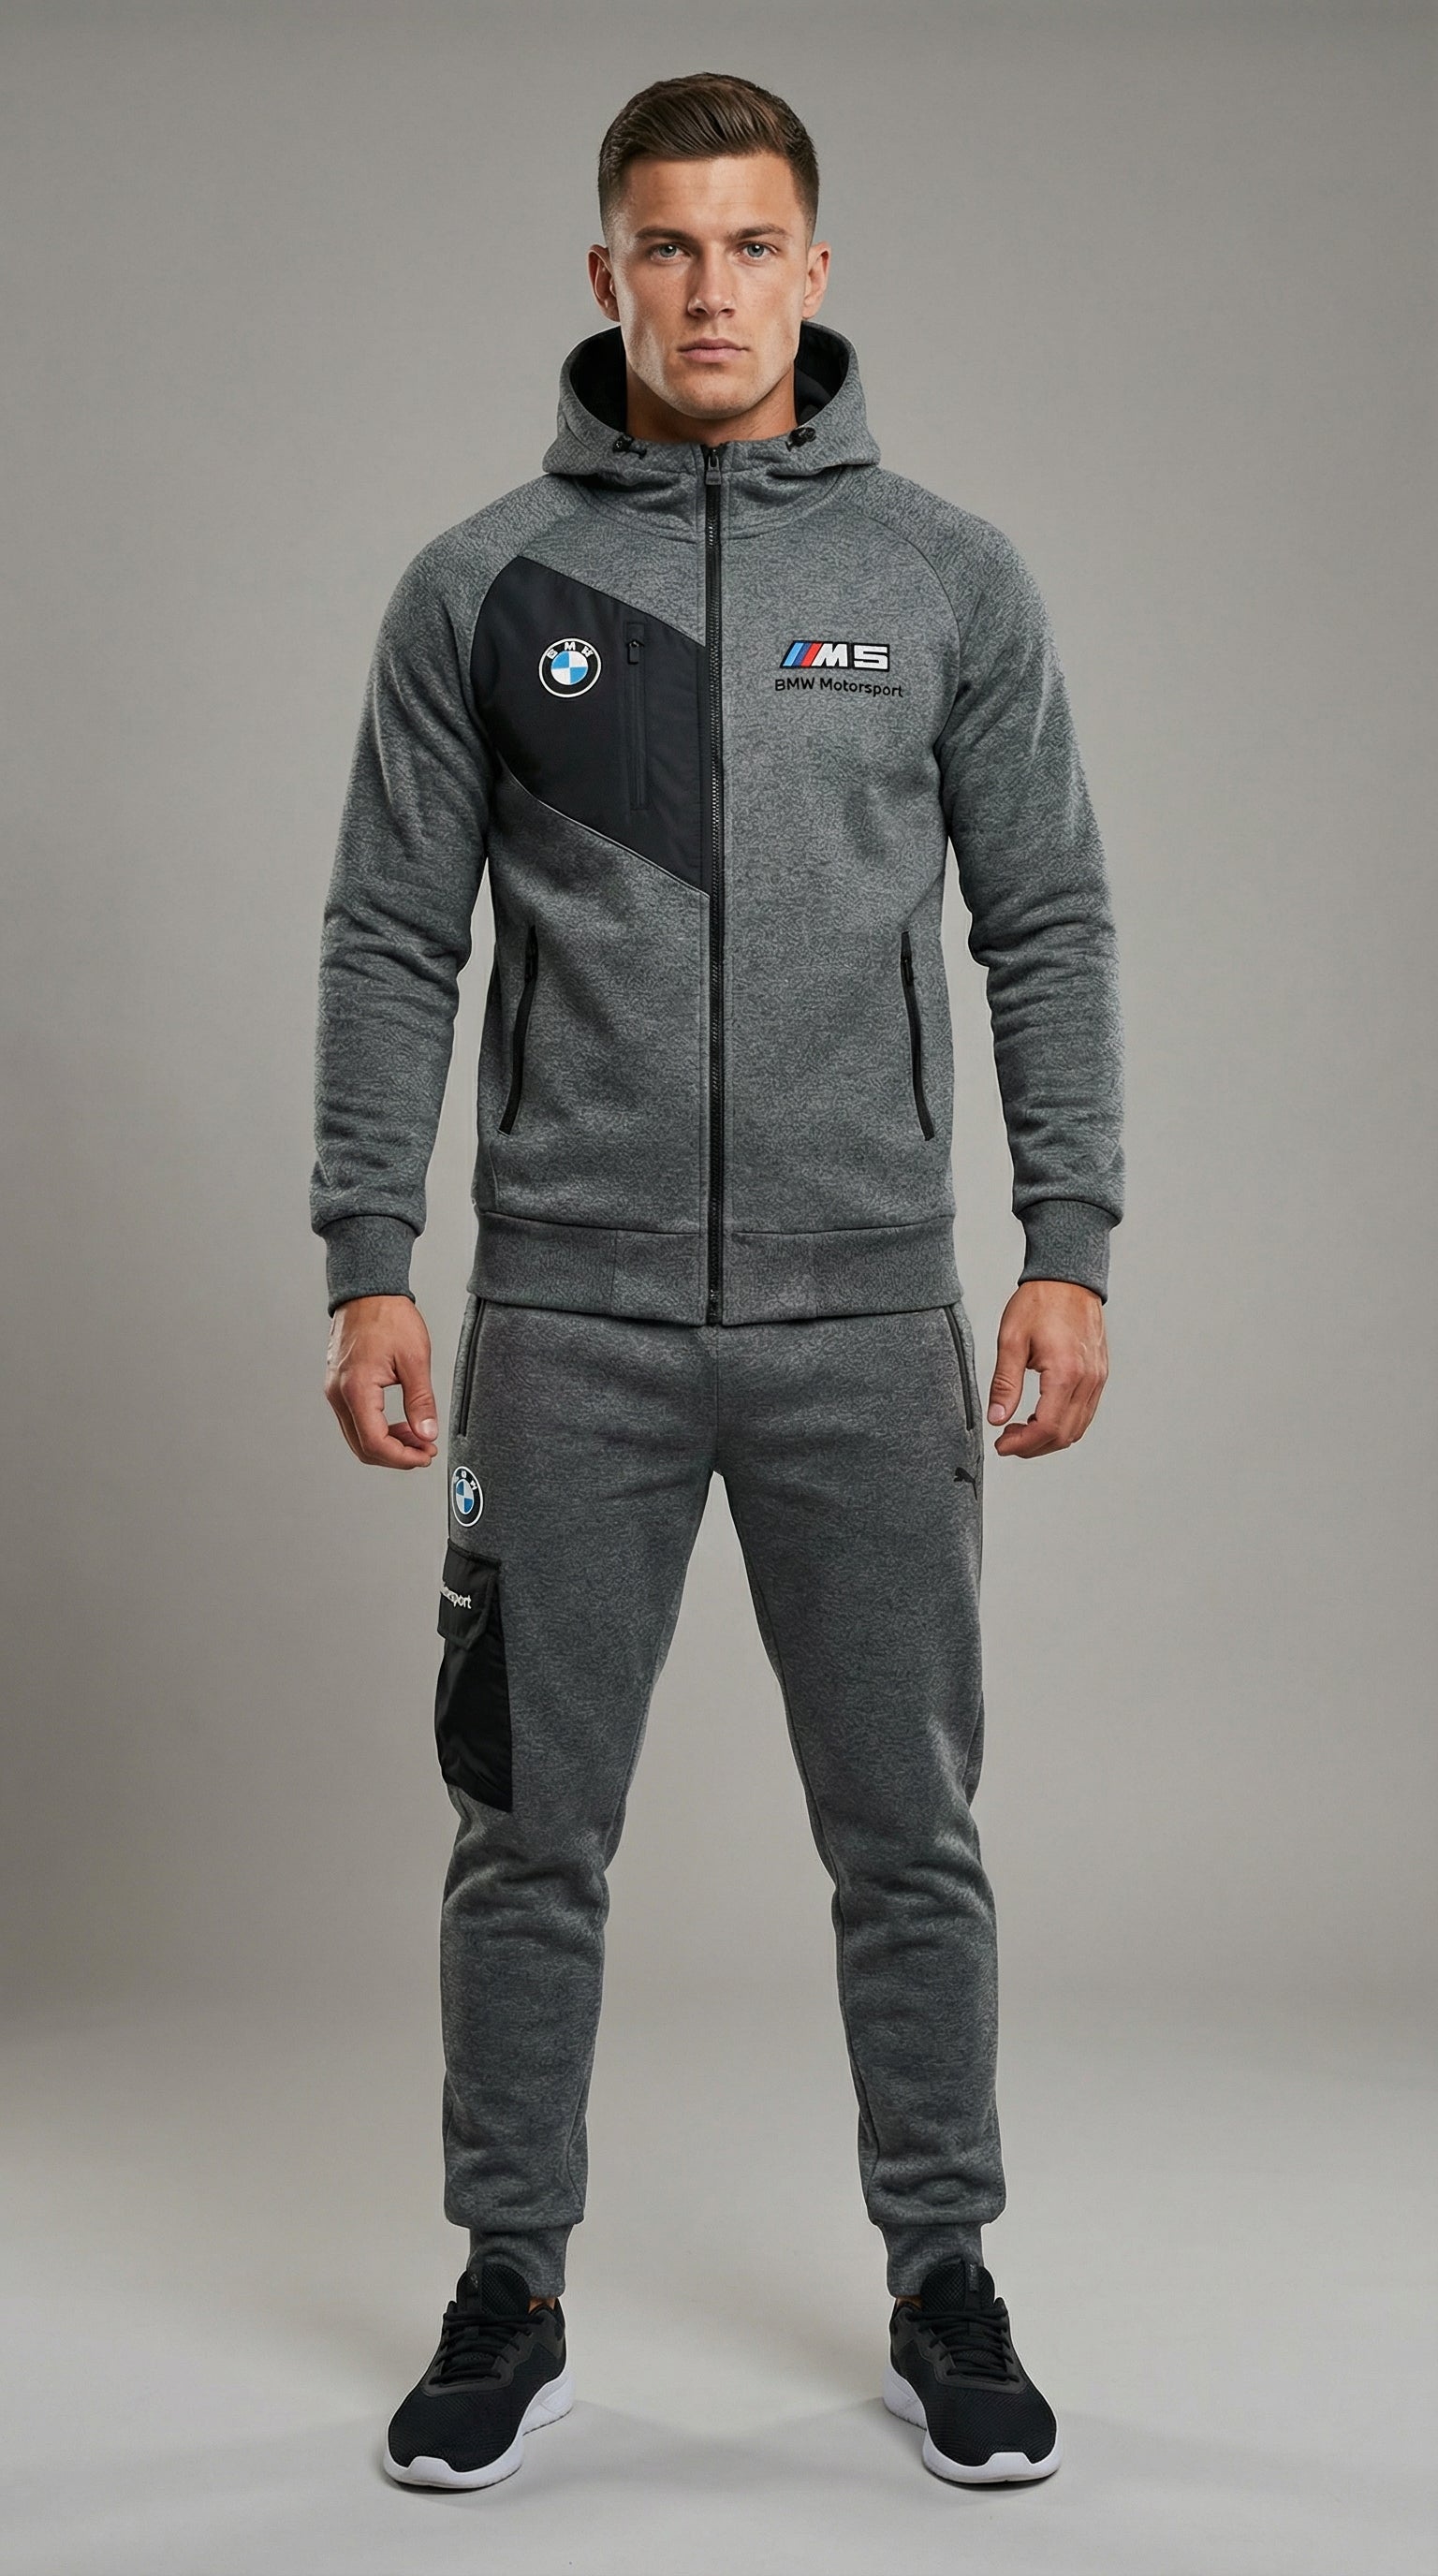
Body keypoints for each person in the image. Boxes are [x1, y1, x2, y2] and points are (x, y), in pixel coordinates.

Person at [310, 69, 1123, 2495]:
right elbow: (391, 935)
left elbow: (1047, 921)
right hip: (563, 1324)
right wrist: (371, 1255)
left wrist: (1066, 1242)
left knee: (909, 1835)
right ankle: (509, 2283)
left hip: (868, 1320)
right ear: (605, 274)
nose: (708, 290)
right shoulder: (482, 588)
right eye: (665, 246)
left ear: (816, 269)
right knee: (524, 1831)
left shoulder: (947, 579)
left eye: (751, 244)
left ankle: (945, 2277)